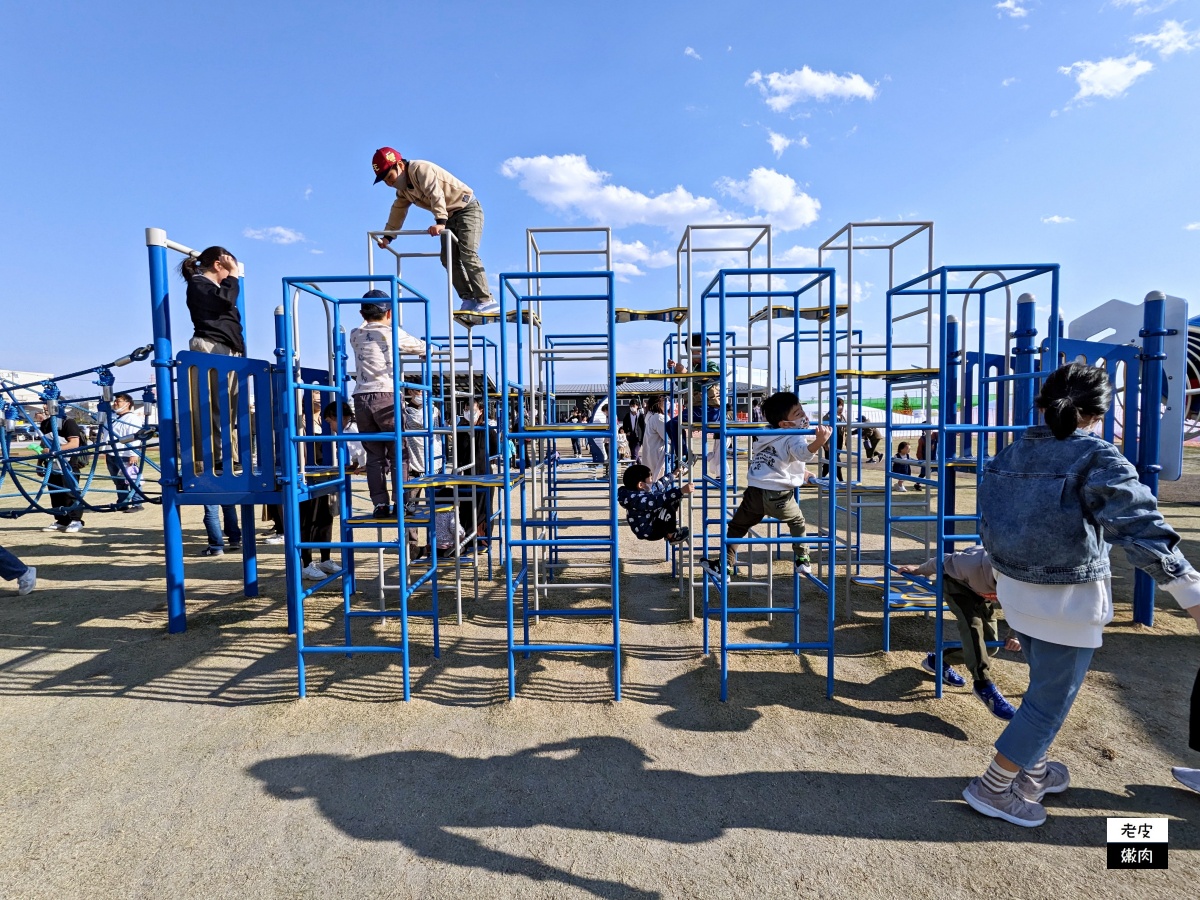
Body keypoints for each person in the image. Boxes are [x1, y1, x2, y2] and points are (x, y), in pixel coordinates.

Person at [964, 362, 1200, 828]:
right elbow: (1141, 529)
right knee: (1049, 703)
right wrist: (1191, 592)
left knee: (1040, 688)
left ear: (1042, 402)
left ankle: (1033, 770)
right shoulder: (1097, 456)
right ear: (1098, 411)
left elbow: (990, 523)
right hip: (1068, 600)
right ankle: (992, 787)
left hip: (1015, 589)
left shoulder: (1011, 452)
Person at [702, 392, 832, 578]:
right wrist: (819, 441)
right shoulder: (794, 435)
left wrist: (801, 473)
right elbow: (802, 453)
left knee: (737, 528)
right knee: (797, 522)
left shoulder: (766, 435)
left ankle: (725, 565)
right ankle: (802, 558)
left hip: (754, 492)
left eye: (801, 410)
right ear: (784, 424)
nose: (804, 415)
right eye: (798, 414)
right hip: (780, 496)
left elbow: (778, 460)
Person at [898, 545, 1021, 720]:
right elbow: (942, 560)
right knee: (972, 625)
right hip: (957, 584)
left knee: (990, 646)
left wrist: (1014, 634)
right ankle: (983, 685)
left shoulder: (1021, 577)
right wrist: (918, 570)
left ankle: (938, 660)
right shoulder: (971, 563)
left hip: (982, 590)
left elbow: (1021, 607)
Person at [371, 147, 498, 314]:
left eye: (390, 177)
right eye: (385, 181)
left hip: (467, 208)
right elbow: (398, 211)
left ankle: (486, 300)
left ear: (400, 165)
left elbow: (435, 194)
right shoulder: (403, 191)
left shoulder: (421, 169)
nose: (390, 183)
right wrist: (388, 236)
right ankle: (468, 299)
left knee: (467, 253)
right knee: (447, 258)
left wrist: (440, 221)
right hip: (448, 216)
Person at [350, 289, 427, 518]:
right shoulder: (391, 332)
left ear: (362, 313)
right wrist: (427, 351)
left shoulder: (354, 334)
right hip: (386, 395)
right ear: (389, 313)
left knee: (373, 455)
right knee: (398, 452)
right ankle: (402, 502)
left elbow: (367, 331)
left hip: (361, 396)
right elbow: (422, 347)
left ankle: (379, 504)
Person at [180, 246, 244, 471]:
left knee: (229, 407)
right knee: (213, 406)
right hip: (211, 347)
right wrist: (234, 275)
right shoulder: (199, 284)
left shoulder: (213, 287)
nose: (231, 276)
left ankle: (229, 456)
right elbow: (225, 300)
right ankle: (215, 457)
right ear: (219, 265)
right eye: (229, 269)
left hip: (226, 349)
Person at [617, 464, 693, 544]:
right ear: (641, 485)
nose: (652, 482)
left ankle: (668, 530)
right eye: (650, 480)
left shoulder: (641, 490)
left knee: (672, 499)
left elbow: (658, 485)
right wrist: (680, 491)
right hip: (650, 531)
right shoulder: (636, 499)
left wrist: (673, 475)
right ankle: (672, 536)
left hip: (651, 521)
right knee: (667, 504)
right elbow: (656, 501)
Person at [39, 404, 85, 534]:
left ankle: (76, 520)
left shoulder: (68, 422)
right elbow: (44, 444)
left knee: (70, 493)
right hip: (52, 464)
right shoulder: (46, 423)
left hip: (68, 463)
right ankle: (61, 520)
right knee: (55, 493)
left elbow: (74, 444)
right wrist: (40, 462)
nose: (44, 406)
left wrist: (54, 450)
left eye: (47, 402)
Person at [98, 392, 145, 511]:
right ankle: (122, 502)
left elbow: (135, 437)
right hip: (111, 453)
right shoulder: (113, 417)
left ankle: (137, 502)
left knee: (131, 478)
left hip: (125, 454)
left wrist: (134, 454)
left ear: (127, 404)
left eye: (118, 401)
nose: (115, 403)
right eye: (115, 401)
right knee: (118, 480)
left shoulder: (132, 418)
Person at [641, 395, 668, 482]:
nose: (667, 403)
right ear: (658, 404)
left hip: (653, 451)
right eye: (664, 401)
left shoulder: (651, 417)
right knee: (659, 479)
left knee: (654, 478)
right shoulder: (658, 418)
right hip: (658, 452)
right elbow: (669, 436)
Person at [819, 397, 847, 482]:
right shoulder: (828, 417)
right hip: (830, 443)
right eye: (839, 406)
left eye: (842, 406)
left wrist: (847, 440)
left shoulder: (842, 417)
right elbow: (823, 430)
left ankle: (821, 478)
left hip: (838, 442)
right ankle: (841, 481)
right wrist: (825, 443)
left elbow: (845, 429)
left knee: (829, 462)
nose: (841, 408)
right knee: (836, 462)